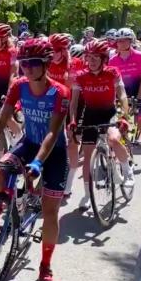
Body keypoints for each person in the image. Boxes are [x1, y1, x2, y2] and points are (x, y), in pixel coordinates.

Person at [0, 38, 70, 281]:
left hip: (54, 151)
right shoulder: (19, 85)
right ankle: (0, 206)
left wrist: (39, 162)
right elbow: (0, 120)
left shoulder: (60, 92)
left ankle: (46, 263)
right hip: (28, 142)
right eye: (23, 63)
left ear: (46, 63)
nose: (27, 68)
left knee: (50, 212)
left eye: (33, 63)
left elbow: (52, 132)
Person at [69, 40, 134, 209]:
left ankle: (127, 171)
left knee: (113, 139)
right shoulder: (80, 76)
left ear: (104, 58)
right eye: (89, 57)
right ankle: (87, 195)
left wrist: (124, 115)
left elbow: (122, 95)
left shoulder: (112, 72)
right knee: (88, 156)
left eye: (96, 57)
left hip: (109, 113)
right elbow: (74, 103)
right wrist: (74, 121)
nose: (92, 61)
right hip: (90, 115)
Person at [109, 28, 141, 172]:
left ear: (131, 41)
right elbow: (113, 82)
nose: (120, 43)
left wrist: (140, 98)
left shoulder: (140, 56)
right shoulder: (113, 59)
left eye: (124, 40)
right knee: (121, 127)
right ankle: (126, 156)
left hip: (139, 93)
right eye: (118, 40)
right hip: (123, 95)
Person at [48, 33, 86, 196]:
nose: (53, 54)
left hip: (74, 102)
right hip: (54, 103)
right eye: (51, 50)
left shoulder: (76, 64)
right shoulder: (47, 62)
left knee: (71, 142)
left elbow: (72, 90)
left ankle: (69, 182)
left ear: (63, 51)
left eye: (56, 50)